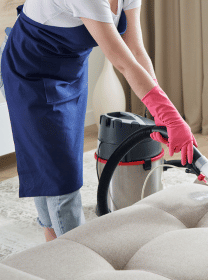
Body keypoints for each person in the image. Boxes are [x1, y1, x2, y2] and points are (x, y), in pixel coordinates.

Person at [0, 0, 197, 242]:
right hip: (30, 70)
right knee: (63, 175)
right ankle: (81, 256)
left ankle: (51, 242)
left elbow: (135, 51)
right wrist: (169, 115)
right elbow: (123, 62)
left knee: (52, 159)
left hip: (70, 69)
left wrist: (161, 113)